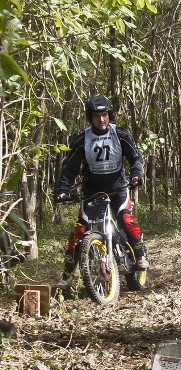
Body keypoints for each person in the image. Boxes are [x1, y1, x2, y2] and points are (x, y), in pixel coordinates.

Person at [55, 95, 148, 288]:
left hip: (119, 189)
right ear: (90, 117)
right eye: (97, 116)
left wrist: (136, 175)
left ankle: (140, 256)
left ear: (109, 115)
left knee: (126, 221)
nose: (102, 120)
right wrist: (63, 190)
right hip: (92, 192)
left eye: (104, 115)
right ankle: (66, 277)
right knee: (79, 231)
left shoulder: (120, 134)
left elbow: (136, 158)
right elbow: (69, 168)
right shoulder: (82, 139)